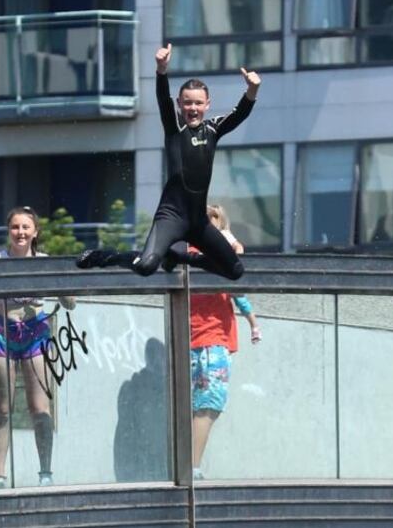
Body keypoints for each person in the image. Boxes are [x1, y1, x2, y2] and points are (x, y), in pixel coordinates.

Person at [77, 44, 260, 280]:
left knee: (235, 271)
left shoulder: (213, 129)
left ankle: (182, 257)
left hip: (198, 221)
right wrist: (161, 70)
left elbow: (239, 114)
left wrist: (252, 90)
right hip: (171, 216)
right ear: (179, 104)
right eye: (187, 103)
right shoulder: (175, 127)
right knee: (146, 267)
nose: (192, 108)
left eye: (197, 103)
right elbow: (163, 99)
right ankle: (106, 257)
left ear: (207, 105)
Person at [0, 206, 74, 489]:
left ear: (35, 232)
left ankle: (45, 472)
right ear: (8, 231)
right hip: (1, 332)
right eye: (15, 227)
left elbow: (70, 302)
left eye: (25, 227)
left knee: (39, 407)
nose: (20, 232)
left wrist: (64, 287)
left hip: (36, 334)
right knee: (3, 408)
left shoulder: (45, 261)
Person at [189, 285, 240, 480]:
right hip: (212, 343)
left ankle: (190, 467)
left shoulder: (189, 256)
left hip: (200, 343)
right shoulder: (214, 256)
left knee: (199, 407)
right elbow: (239, 285)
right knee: (208, 406)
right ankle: (192, 469)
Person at [206, 205, 262, 343]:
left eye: (208, 219)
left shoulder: (223, 234)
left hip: (227, 274)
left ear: (217, 219)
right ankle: (254, 326)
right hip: (218, 273)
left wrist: (234, 262)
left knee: (241, 300)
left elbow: (239, 247)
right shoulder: (208, 236)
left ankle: (254, 326)